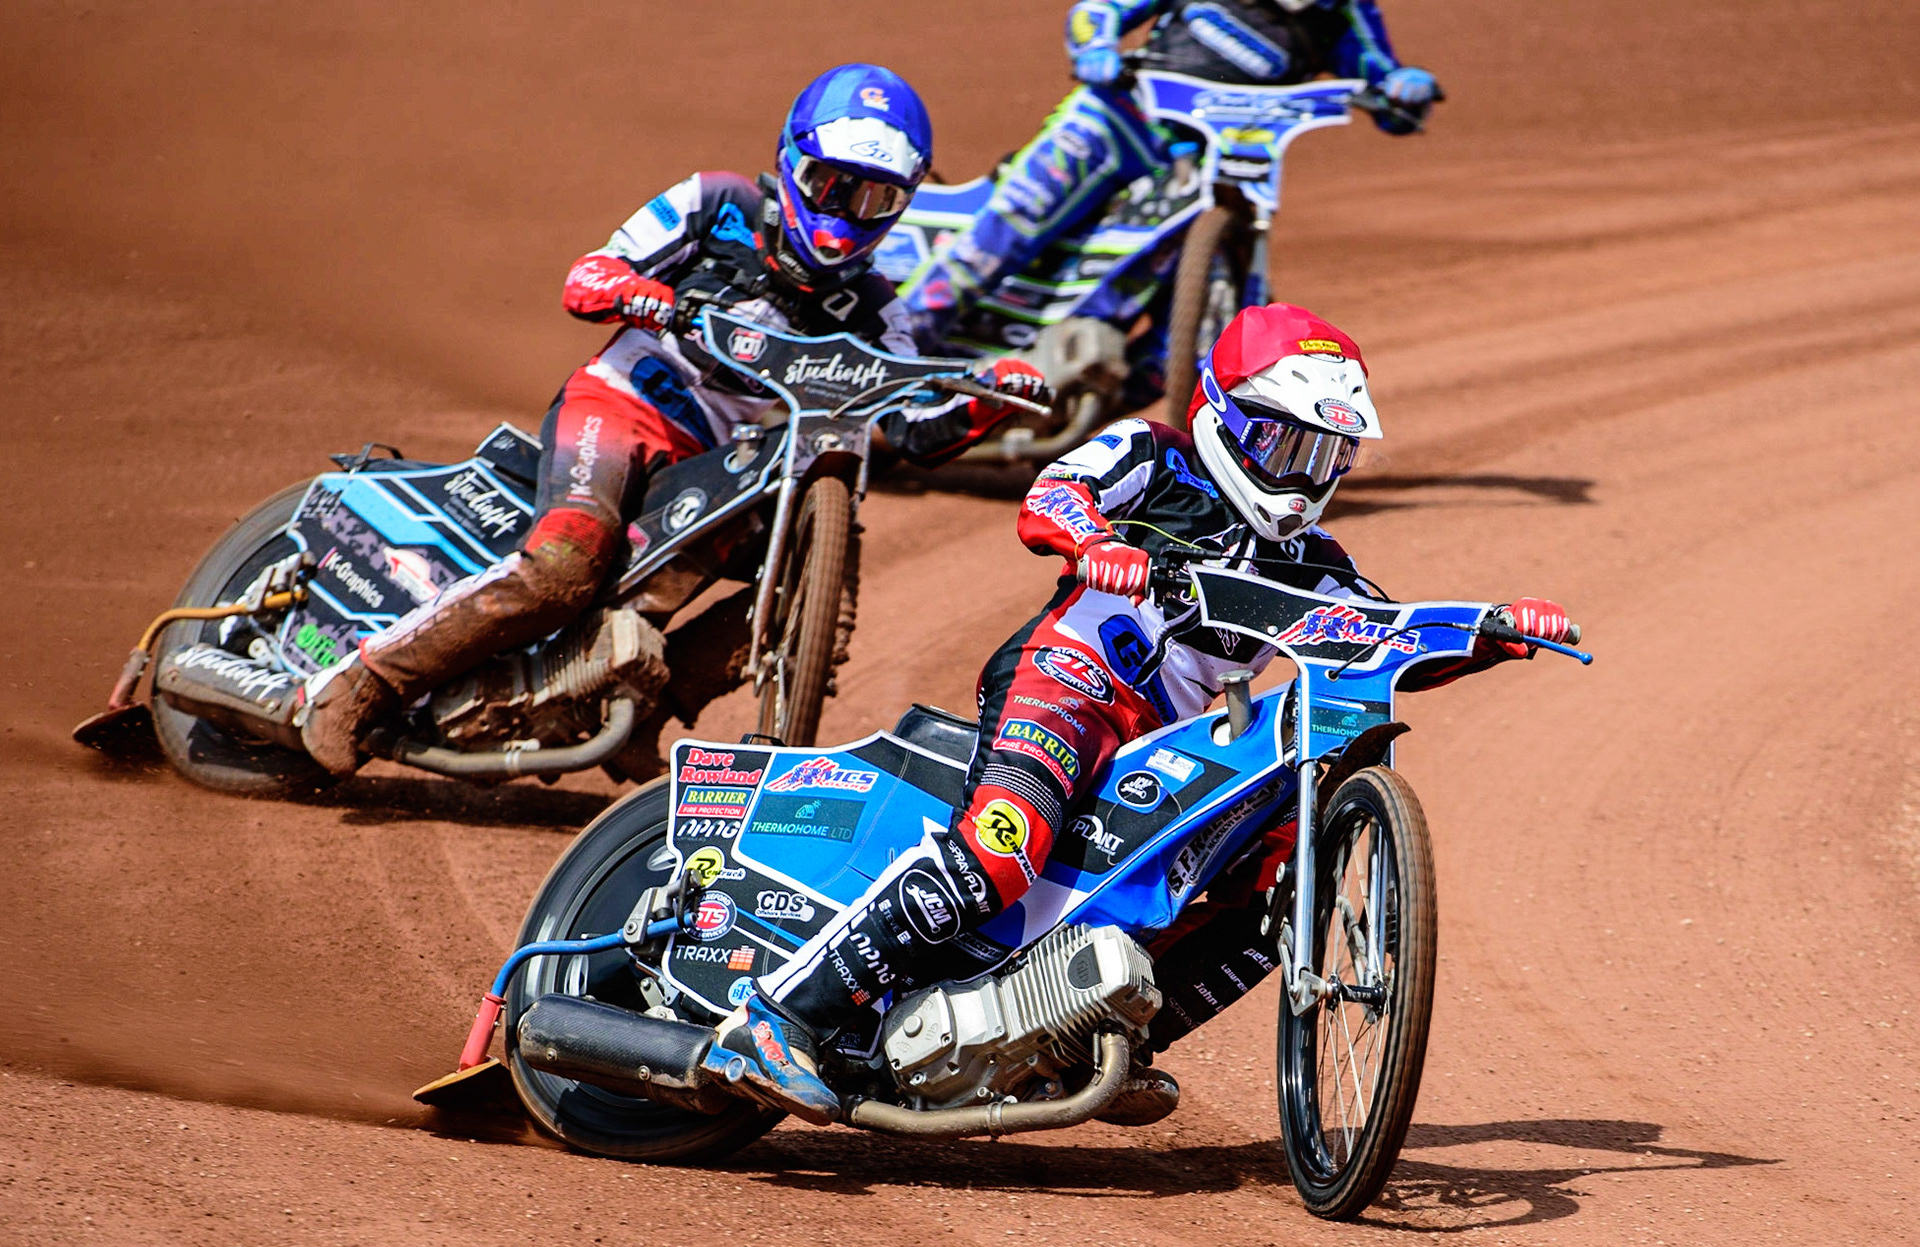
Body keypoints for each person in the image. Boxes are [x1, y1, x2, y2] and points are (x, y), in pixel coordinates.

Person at [705, 303, 1572, 1125]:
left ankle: (1097, 1040)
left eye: (1325, 457)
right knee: (1002, 850)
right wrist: (1095, 542)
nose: (1302, 479)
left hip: (1168, 742)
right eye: (1283, 443)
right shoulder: (1156, 456)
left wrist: (1488, 630)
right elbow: (1052, 491)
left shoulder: (1315, 562)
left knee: (1268, 899)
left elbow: (1384, 633)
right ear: (1223, 416)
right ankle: (779, 1018)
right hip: (1068, 678)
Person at [302, 64, 1050, 776]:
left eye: (873, 201)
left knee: (816, 589)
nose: (843, 217)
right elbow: (589, 274)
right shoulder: (716, 203)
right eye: (831, 185)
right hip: (624, 404)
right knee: (565, 564)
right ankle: (361, 682)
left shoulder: (879, 312)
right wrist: (640, 294)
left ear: (903, 204)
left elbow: (919, 429)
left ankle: (644, 710)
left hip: (721, 466)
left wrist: (989, 396)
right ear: (792, 162)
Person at [897, 1, 1440, 340]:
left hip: (1212, 166)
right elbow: (1098, 10)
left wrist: (1404, 88)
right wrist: (1095, 46)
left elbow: (1382, 82)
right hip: (1118, 120)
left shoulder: (1343, 14)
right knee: (1017, 218)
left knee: (1183, 293)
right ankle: (901, 344)